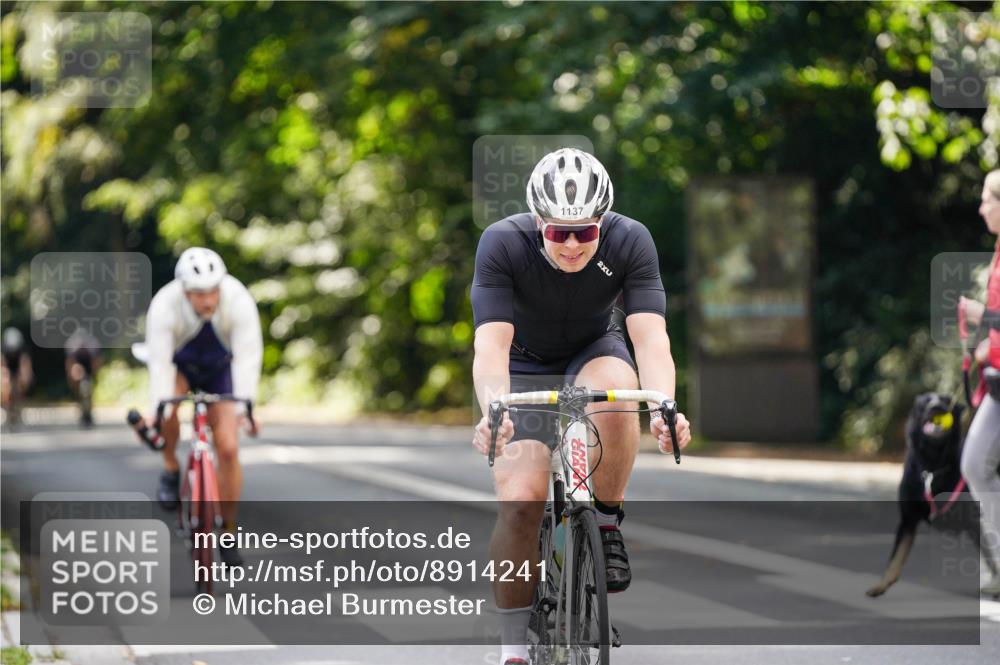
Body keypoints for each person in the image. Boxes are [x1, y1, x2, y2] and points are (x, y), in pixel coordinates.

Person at [470, 148, 692, 665]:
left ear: (603, 223)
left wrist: (664, 406)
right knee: (521, 502)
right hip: (522, 367)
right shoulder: (502, 242)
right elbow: (490, 347)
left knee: (618, 388)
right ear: (538, 222)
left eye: (586, 232)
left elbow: (651, 339)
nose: (572, 244)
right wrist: (493, 411)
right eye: (558, 233)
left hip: (594, 352)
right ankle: (512, 648)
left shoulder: (631, 238)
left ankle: (607, 520)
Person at [142, 247, 263, 566]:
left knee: (228, 449)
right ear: (184, 291)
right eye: (199, 294)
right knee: (168, 410)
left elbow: (248, 358)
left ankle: (228, 530)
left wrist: (244, 410)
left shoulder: (238, 300)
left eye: (213, 292)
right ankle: (170, 466)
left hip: (220, 369)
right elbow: (160, 365)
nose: (208, 301)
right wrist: (160, 410)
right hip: (180, 367)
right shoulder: (164, 305)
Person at [959, 169, 1000, 596]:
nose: (981, 206)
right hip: (997, 381)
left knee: (977, 464)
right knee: (974, 463)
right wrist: (986, 347)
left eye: (987, 198)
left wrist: (980, 317)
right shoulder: (998, 251)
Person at [64, 327, 101, 427]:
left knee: (88, 390)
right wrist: (72, 378)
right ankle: (81, 409)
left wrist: (95, 376)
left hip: (88, 366)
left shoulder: (92, 345)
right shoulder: (72, 346)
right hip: (77, 365)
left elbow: (95, 362)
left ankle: (88, 412)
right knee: (79, 390)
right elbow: (70, 363)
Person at [1, 327, 33, 427]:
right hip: (7, 369)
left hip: (19, 369)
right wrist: (5, 382)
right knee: (4, 385)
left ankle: (19, 408)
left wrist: (23, 381)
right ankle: (6, 408)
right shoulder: (3, 349)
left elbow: (25, 366)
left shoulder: (23, 350)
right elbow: (2, 366)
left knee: (23, 382)